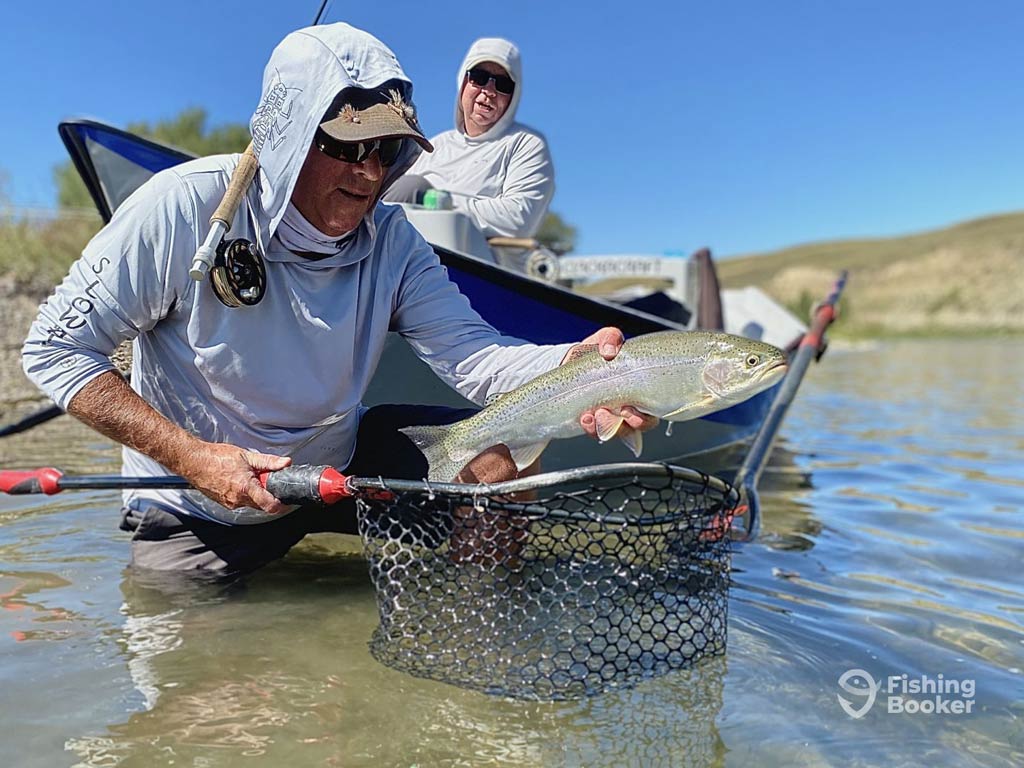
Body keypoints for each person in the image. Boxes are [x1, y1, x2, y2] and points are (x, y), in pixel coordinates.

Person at [22, 23, 653, 575]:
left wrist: (580, 370)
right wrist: (194, 458)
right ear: (290, 136)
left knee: (493, 466)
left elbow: (475, 358)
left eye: (385, 151)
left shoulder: (395, 240)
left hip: (337, 473)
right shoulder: (183, 205)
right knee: (199, 693)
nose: (369, 172)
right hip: (198, 502)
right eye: (347, 146)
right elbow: (54, 350)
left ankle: (479, 669)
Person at [384, 37, 554, 240]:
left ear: (514, 95)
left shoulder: (525, 144)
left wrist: (436, 201)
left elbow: (520, 217)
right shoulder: (433, 147)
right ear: (462, 81)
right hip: (407, 250)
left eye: (503, 84)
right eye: (479, 77)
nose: (489, 91)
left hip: (472, 262)